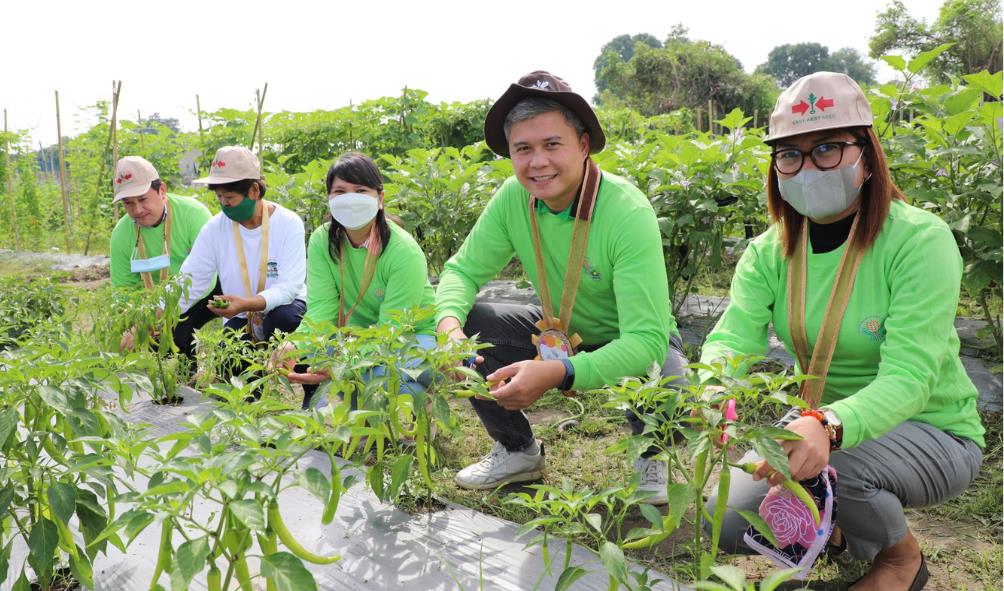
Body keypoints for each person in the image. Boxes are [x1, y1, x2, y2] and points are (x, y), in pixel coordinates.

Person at [700, 72, 985, 591]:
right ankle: (835, 530)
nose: (807, 168)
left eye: (827, 148)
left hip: (932, 430)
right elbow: (731, 337)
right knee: (729, 517)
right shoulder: (771, 250)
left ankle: (901, 560)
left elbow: (911, 377)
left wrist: (828, 426)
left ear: (867, 156)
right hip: (819, 423)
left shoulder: (919, 240)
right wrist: (717, 386)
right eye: (790, 154)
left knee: (839, 469)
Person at [435, 71, 687, 501]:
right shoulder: (513, 199)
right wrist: (448, 327)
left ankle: (651, 456)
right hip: (563, 328)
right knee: (473, 322)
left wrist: (557, 372)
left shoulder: (626, 212)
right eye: (523, 149)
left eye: (553, 145)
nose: (538, 162)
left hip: (632, 339)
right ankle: (518, 451)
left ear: (583, 145)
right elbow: (461, 271)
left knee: (667, 377)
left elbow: (644, 338)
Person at [272, 152, 437, 408]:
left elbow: (392, 330)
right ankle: (356, 414)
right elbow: (322, 309)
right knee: (316, 354)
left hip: (411, 337)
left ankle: (417, 404)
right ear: (329, 199)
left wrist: (343, 363)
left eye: (360, 190)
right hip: (355, 339)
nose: (350, 200)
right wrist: (294, 344)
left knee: (380, 375)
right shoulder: (322, 241)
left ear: (380, 199)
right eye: (340, 192)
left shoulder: (402, 250)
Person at [178, 146, 308, 383]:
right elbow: (190, 279)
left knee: (284, 320)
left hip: (284, 308)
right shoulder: (215, 229)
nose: (224, 205)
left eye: (229, 198)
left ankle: (303, 387)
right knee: (232, 362)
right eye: (219, 198)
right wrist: (159, 314)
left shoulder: (288, 223)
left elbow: (289, 286)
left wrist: (246, 303)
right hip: (240, 315)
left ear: (254, 190)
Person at [109, 156, 216, 358]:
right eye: (128, 203)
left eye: (143, 199)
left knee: (178, 335)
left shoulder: (193, 215)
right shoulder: (122, 234)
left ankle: (189, 377)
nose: (137, 210)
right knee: (134, 342)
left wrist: (154, 318)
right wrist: (132, 323)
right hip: (154, 302)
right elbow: (123, 290)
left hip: (199, 292)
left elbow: (204, 279)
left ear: (162, 191)